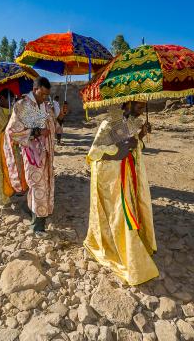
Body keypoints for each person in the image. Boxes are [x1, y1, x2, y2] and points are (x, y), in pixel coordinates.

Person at [83, 103, 159, 285]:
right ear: (129, 103)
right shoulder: (109, 122)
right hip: (110, 179)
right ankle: (117, 251)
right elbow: (95, 153)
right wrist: (120, 150)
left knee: (126, 213)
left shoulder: (131, 123)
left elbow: (133, 145)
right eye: (140, 105)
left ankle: (128, 248)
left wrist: (140, 135)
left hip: (126, 176)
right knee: (116, 215)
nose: (142, 109)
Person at [4, 77, 56, 236]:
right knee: (37, 186)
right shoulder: (23, 106)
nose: (45, 98)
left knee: (44, 185)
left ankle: (35, 214)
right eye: (42, 94)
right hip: (32, 154)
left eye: (47, 95)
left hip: (45, 153)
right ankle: (37, 226)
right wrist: (37, 132)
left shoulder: (45, 106)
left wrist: (57, 117)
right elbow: (12, 132)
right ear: (35, 89)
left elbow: (51, 125)